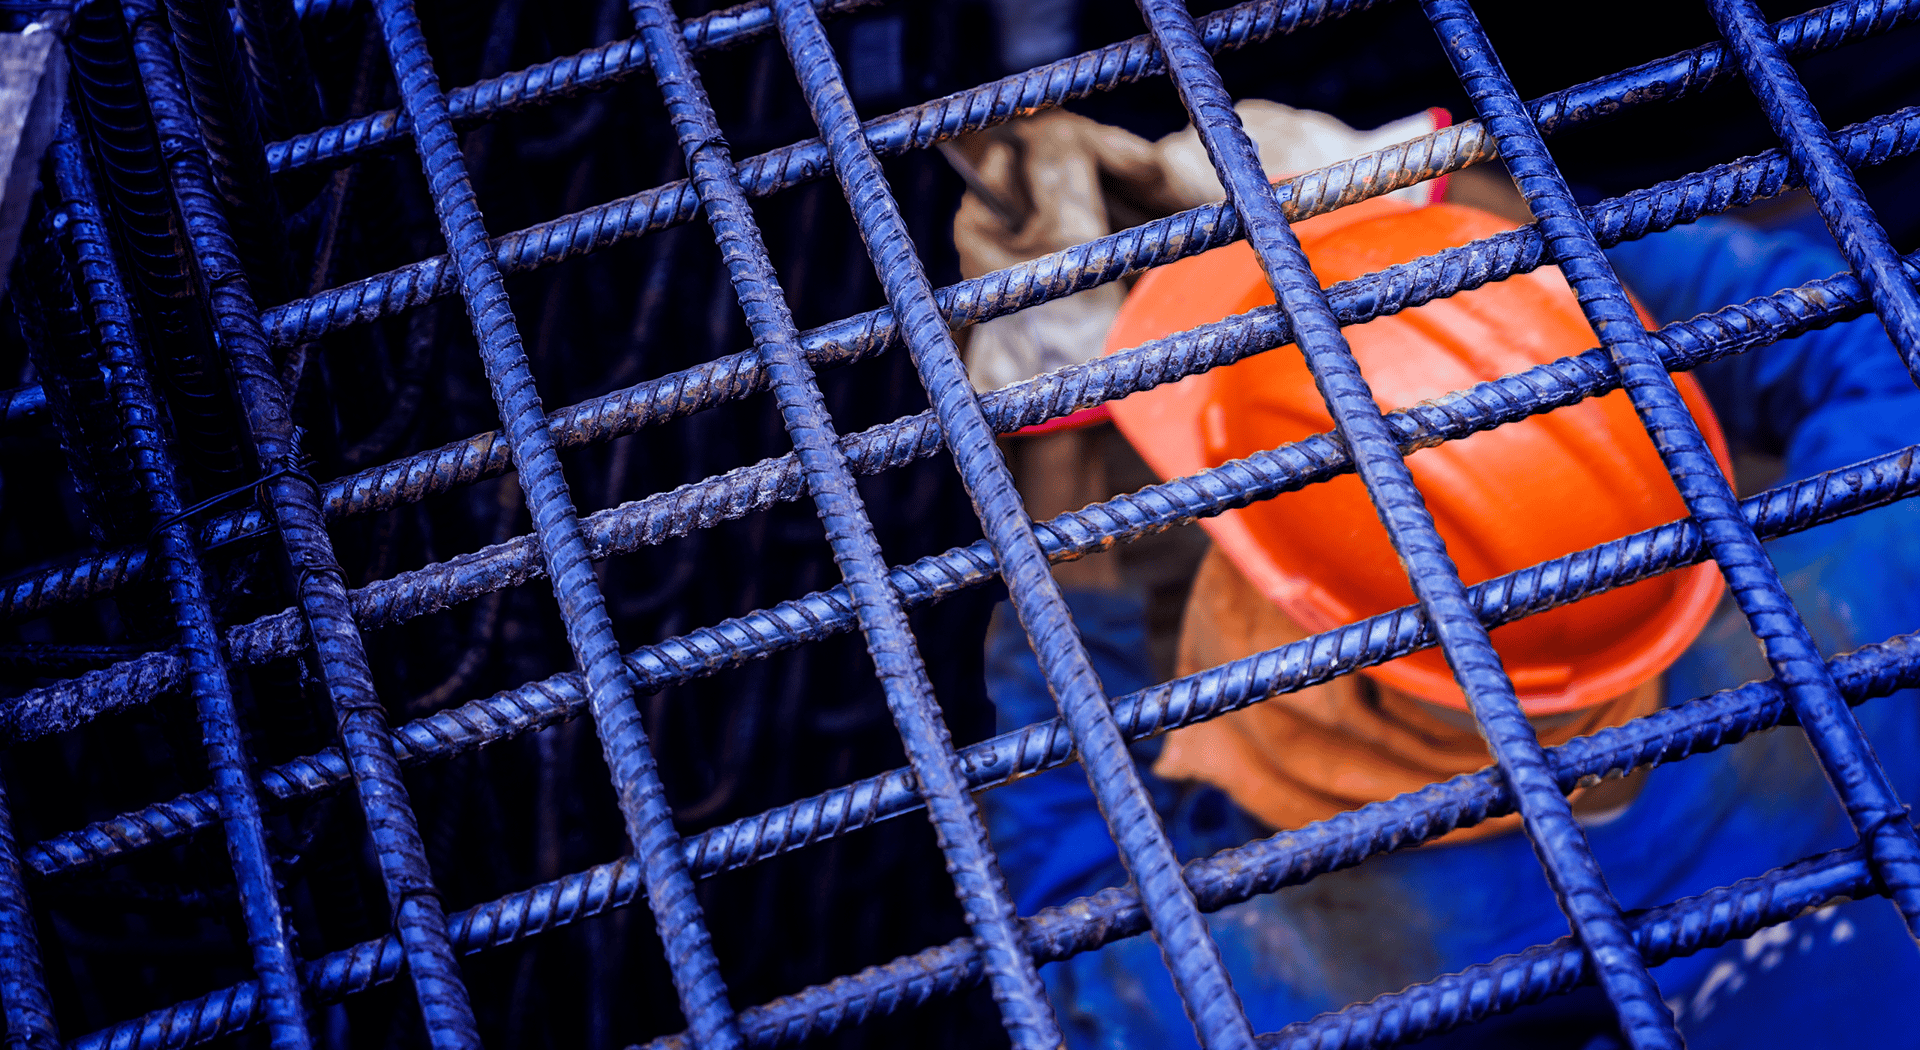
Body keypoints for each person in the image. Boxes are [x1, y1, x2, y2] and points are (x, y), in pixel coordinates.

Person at [959, 107, 1920, 1049]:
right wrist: (1447, 210)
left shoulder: (1297, 973)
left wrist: (1057, 441)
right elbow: (1879, 359)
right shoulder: (1854, 609)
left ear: (1335, 650)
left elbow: (1080, 922)